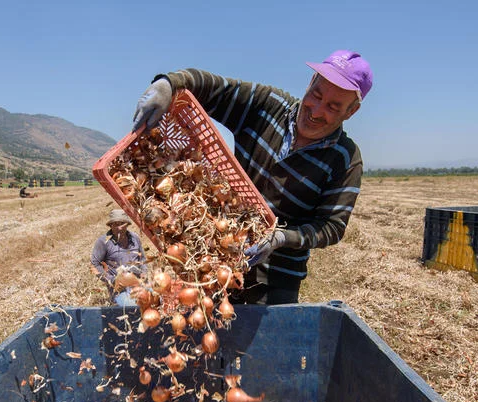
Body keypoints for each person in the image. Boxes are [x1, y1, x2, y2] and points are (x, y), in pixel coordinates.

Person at [132, 50, 372, 304]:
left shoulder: (345, 157)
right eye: (317, 94)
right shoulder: (268, 105)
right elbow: (217, 88)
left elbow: (332, 227)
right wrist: (168, 84)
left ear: (351, 111)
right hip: (220, 256)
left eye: (333, 107)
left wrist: (282, 237)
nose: (316, 110)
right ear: (311, 82)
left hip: (279, 277)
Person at [90, 209, 147, 306]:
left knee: (157, 299)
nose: (119, 228)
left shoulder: (135, 238)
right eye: (115, 224)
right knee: (132, 307)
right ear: (110, 225)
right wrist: (111, 280)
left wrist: (144, 273)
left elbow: (142, 259)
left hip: (138, 284)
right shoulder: (103, 242)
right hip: (119, 290)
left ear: (127, 224)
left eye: (122, 224)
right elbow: (94, 265)